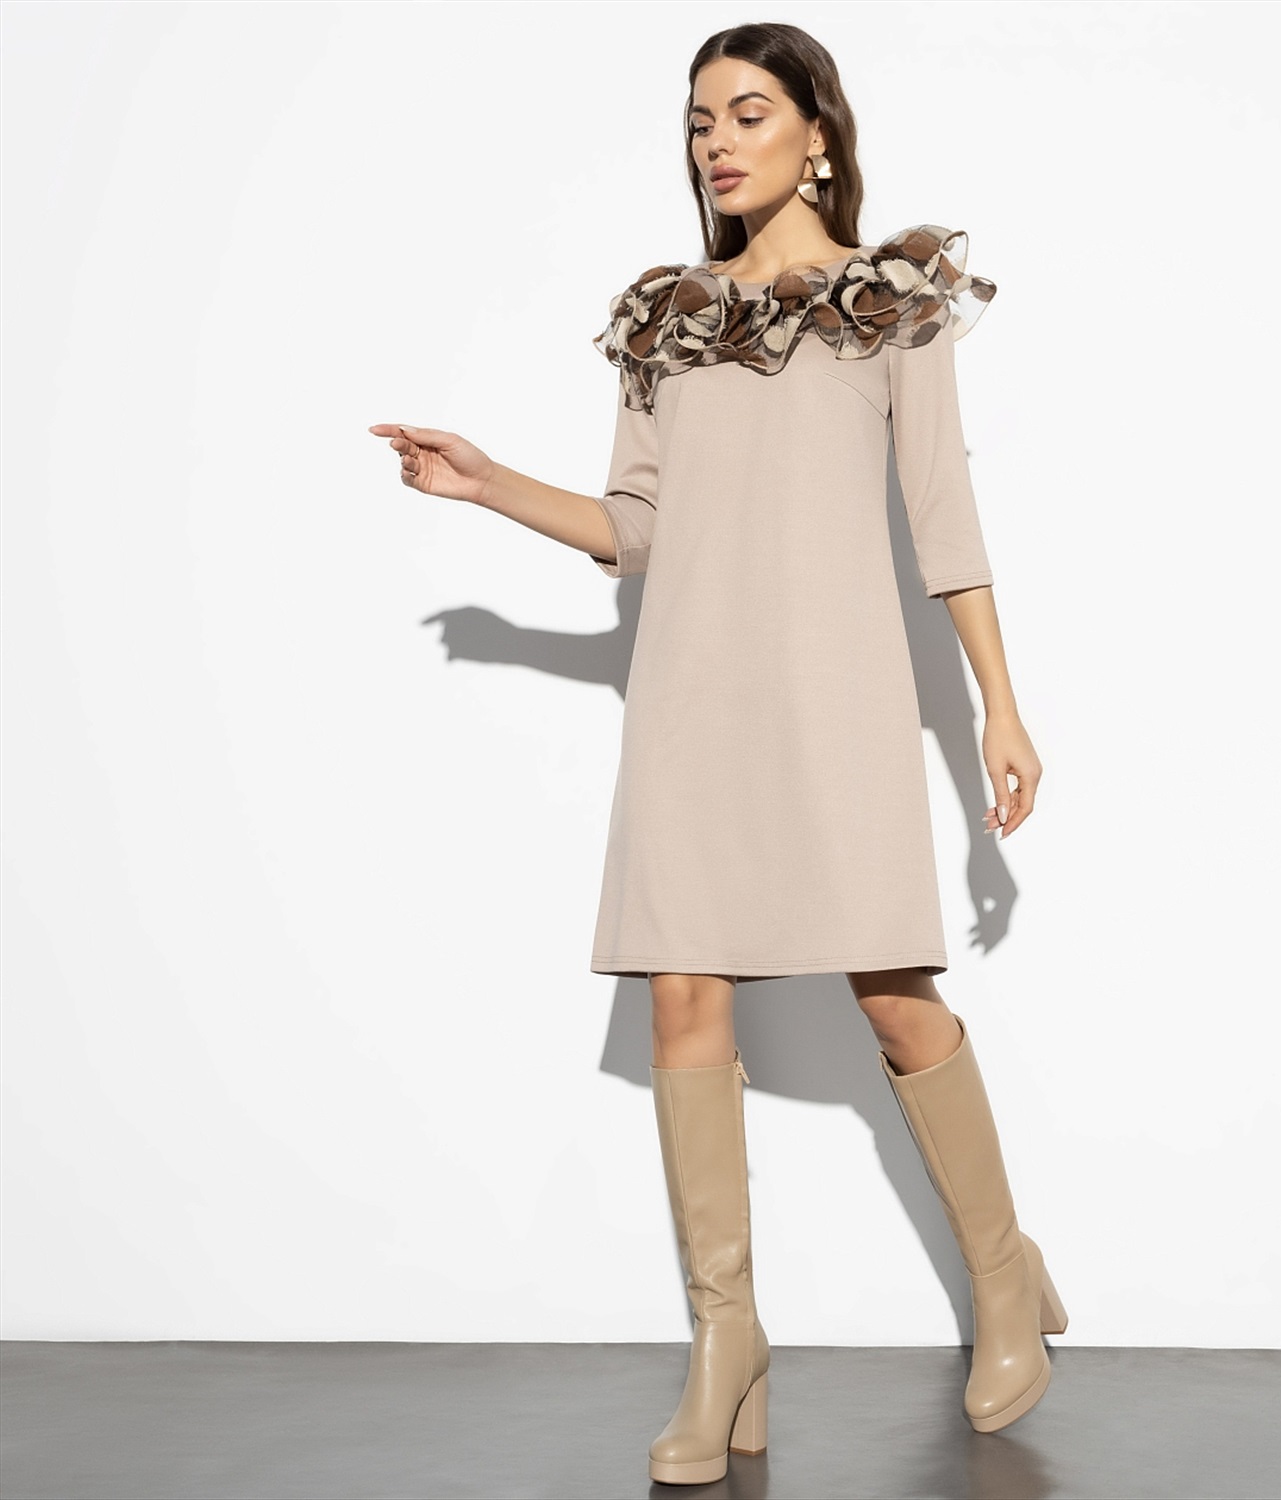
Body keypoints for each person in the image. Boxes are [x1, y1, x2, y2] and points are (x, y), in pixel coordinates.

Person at [369, 20, 1066, 1487]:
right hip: (691, 699)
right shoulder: (665, 317)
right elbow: (638, 527)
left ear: (818, 134)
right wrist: (488, 485)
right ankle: (725, 1344)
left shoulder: (889, 306)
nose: (718, 143)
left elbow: (943, 520)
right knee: (683, 994)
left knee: (894, 998)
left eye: (748, 113)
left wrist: (998, 705)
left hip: (838, 698)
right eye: (699, 122)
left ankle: (1005, 1278)